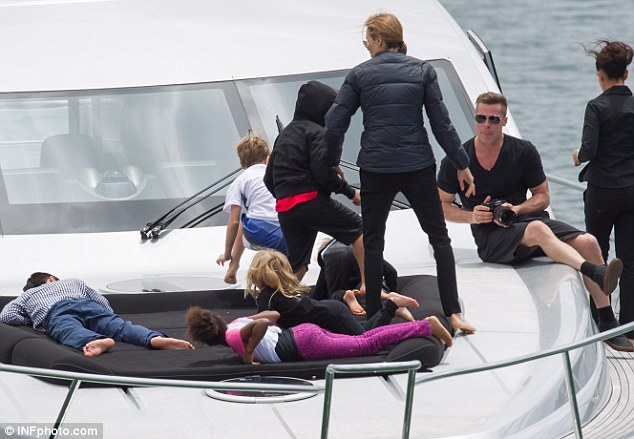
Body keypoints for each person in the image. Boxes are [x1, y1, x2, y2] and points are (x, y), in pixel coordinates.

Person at [437, 91, 632, 352]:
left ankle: (607, 321)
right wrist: (472, 215)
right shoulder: (458, 160)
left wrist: (516, 209)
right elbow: (442, 206)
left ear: (504, 121)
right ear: (474, 119)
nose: (486, 124)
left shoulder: (523, 150)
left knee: (589, 241)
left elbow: (542, 197)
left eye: (493, 119)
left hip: (526, 222)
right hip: (491, 237)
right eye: (481, 118)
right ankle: (593, 271)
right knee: (539, 228)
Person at [322, 13, 475, 334]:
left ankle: (378, 318)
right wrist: (462, 163)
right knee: (439, 239)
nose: (365, 46)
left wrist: (332, 160)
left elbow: (336, 122)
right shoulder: (423, 71)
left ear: (378, 40)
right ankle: (455, 312)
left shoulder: (360, 75)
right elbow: (441, 124)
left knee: (375, 241)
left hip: (376, 168)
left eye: (367, 39)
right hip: (417, 166)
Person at [263, 80, 365, 290]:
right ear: (321, 109)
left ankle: (273, 306)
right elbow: (322, 174)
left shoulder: (284, 135)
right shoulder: (317, 133)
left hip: (285, 208)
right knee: (362, 229)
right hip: (309, 201)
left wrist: (287, 198)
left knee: (298, 266)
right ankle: (368, 284)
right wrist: (350, 191)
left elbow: (268, 179)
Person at [572, 40, 634, 343]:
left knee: (599, 256)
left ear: (601, 75)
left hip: (602, 191)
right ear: (626, 72)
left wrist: (577, 156)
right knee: (631, 259)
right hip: (632, 191)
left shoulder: (596, 106)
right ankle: (629, 326)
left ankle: (603, 320)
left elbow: (589, 149)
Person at [0, 273, 194, 357]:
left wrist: (31, 316)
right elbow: (100, 301)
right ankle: (154, 338)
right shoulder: (73, 281)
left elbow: (6, 316)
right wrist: (106, 316)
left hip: (55, 312)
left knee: (68, 330)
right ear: (52, 279)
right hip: (88, 306)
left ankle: (95, 341)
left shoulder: (27, 295)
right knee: (122, 327)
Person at [186, 308, 452, 365]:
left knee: (368, 344)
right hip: (303, 332)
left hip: (301, 345)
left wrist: (247, 353)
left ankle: (425, 327)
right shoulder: (235, 323)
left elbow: (264, 323)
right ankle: (422, 326)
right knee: (366, 339)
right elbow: (274, 314)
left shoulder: (233, 337)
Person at [245, 250, 419, 336]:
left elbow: (267, 318)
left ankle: (392, 305)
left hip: (334, 314)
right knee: (364, 329)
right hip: (332, 311)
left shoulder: (267, 296)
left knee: (365, 338)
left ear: (255, 274)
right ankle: (389, 304)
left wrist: (244, 323)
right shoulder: (285, 293)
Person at [216, 134, 286, 284]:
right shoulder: (279, 175)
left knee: (244, 219)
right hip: (285, 233)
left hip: (258, 234)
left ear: (242, 164)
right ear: (268, 159)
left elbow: (233, 222)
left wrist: (227, 253)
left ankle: (233, 266)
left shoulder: (240, 180)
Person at [313, 238, 401, 317]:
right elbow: (391, 272)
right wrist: (394, 293)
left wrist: (315, 305)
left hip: (333, 254)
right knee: (370, 282)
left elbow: (321, 290)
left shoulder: (328, 250)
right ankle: (381, 293)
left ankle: (345, 295)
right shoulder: (360, 246)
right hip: (358, 251)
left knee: (335, 292)